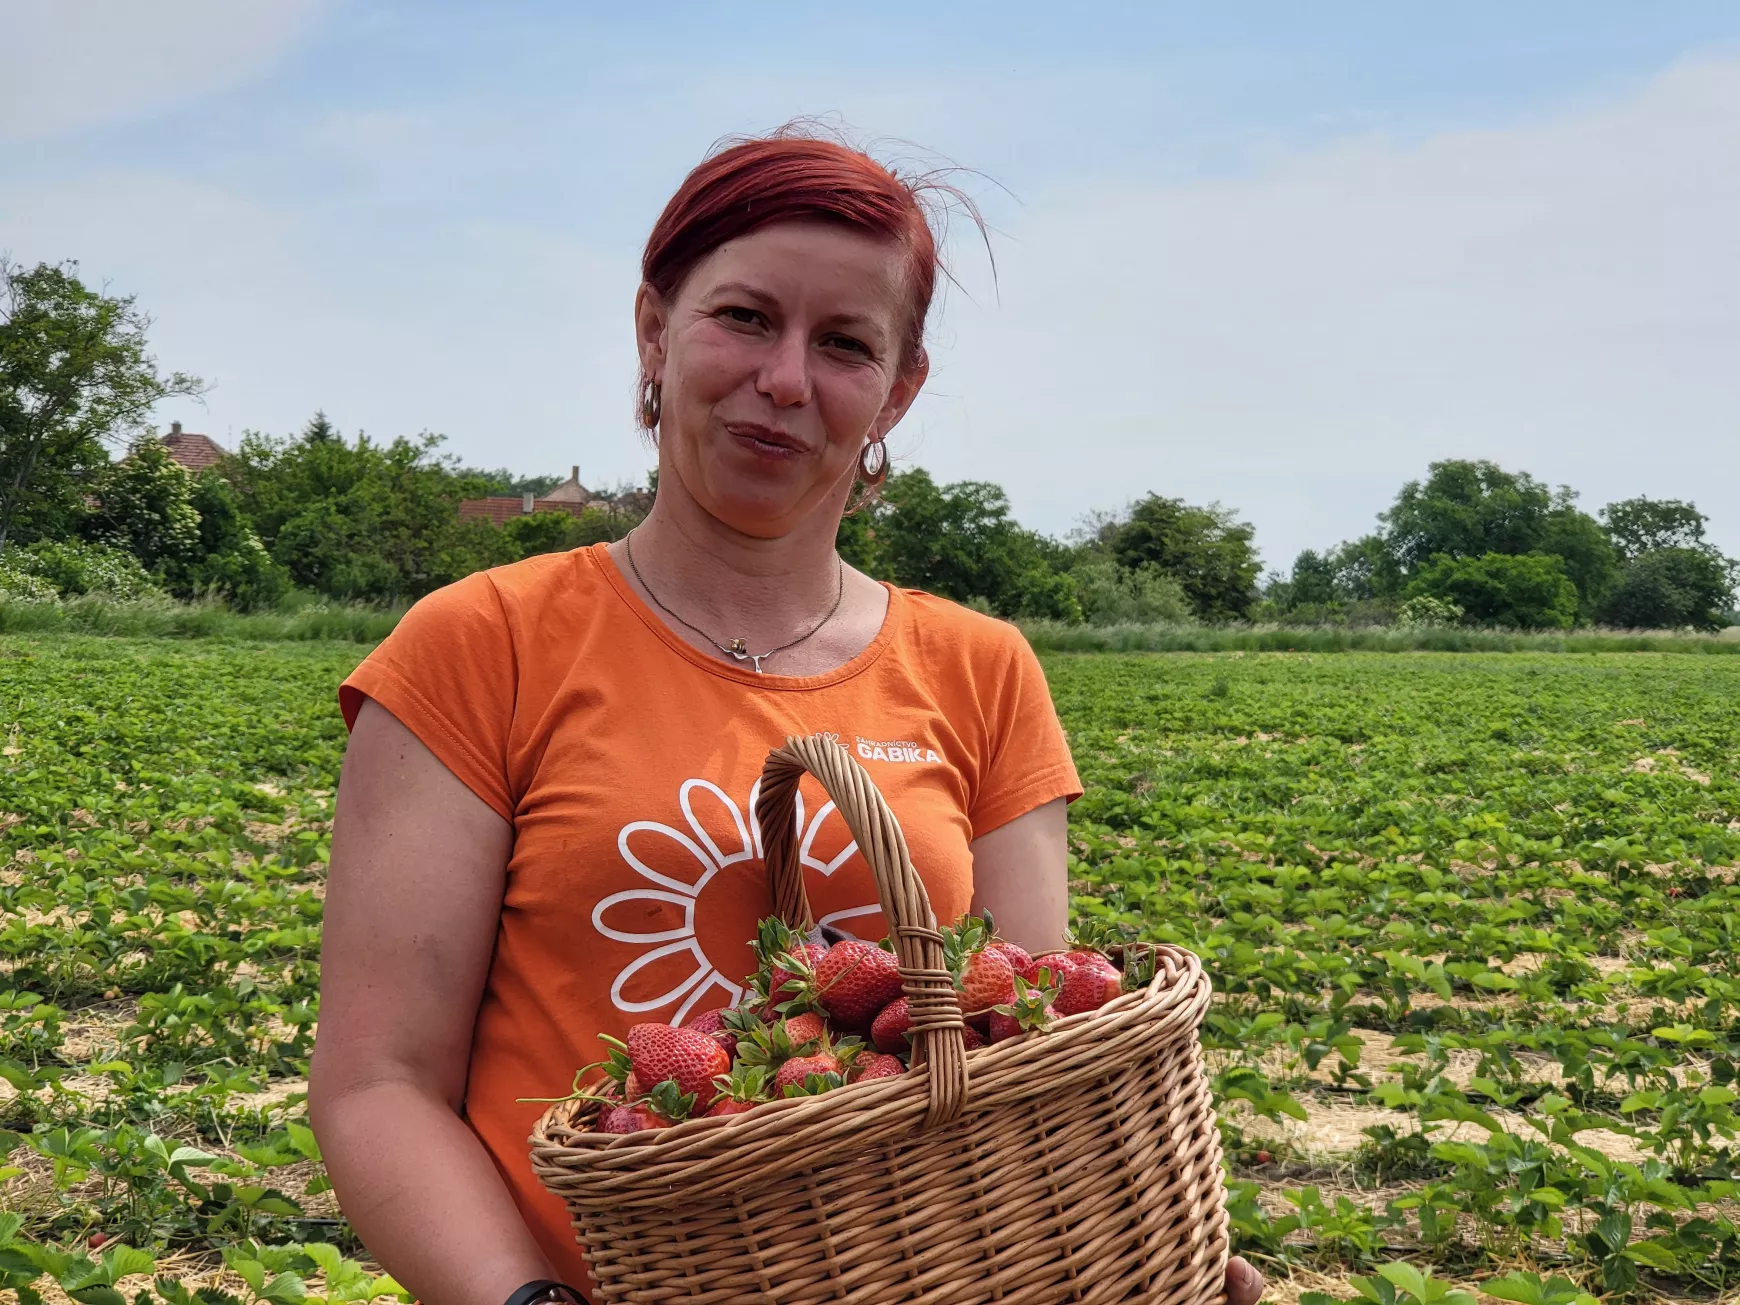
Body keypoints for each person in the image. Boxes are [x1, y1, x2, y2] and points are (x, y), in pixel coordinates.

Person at [309, 129, 1266, 1305]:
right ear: (655, 330)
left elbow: (1024, 1050)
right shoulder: (481, 644)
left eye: (846, 344)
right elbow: (379, 1085)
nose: (786, 380)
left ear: (897, 391)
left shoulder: (981, 669)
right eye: (746, 317)